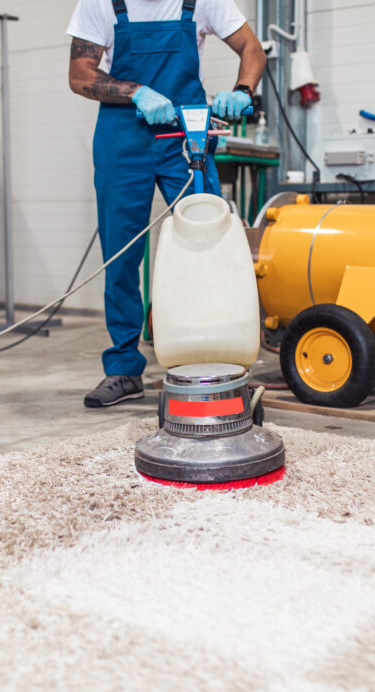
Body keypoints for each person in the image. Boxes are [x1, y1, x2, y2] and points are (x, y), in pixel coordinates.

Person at [67, 0, 266, 408]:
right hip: (124, 142)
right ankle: (124, 369)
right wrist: (135, 90)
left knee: (208, 246)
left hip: (185, 136)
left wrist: (242, 91)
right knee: (121, 255)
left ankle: (217, 365)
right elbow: (79, 75)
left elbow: (252, 49)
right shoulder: (101, 3)